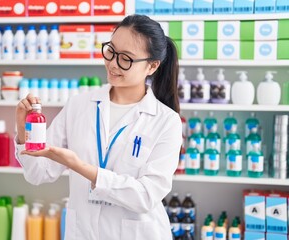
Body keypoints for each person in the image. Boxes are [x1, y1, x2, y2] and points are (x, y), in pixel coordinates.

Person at [16, 14, 182, 240]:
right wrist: (21, 127)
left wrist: (79, 166)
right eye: (111, 51)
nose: (113, 63)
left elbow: (145, 196)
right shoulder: (79, 105)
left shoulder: (166, 121)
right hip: (83, 232)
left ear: (152, 66)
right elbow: (38, 173)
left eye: (126, 58)